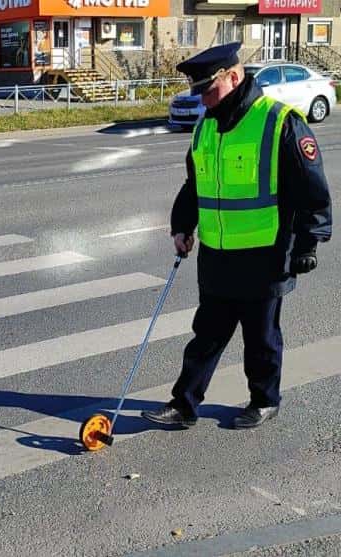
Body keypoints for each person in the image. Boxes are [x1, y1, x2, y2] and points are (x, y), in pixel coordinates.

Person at [141, 42, 332, 430]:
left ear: (234, 75)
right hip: (217, 255)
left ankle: (264, 400)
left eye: (209, 90)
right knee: (205, 337)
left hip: (265, 254)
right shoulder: (206, 127)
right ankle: (184, 405)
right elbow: (195, 185)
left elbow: (311, 189)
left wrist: (308, 243)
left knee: (260, 339)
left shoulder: (279, 122)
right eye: (199, 92)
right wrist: (183, 226)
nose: (205, 100)